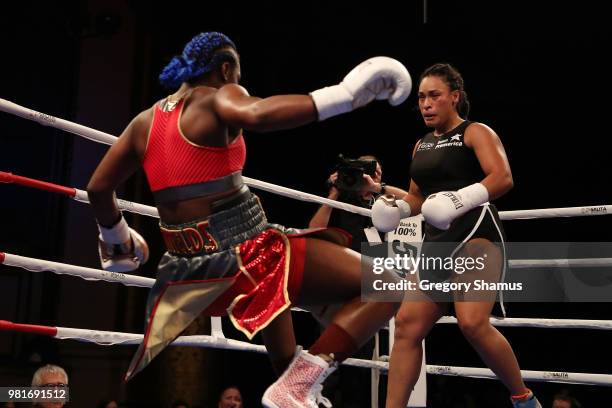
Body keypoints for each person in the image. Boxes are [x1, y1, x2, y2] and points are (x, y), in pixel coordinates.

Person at [86, 32, 411, 408]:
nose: (239, 86)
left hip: (191, 273)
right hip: (248, 254)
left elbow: (98, 187)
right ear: (226, 69)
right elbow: (256, 114)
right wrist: (346, 94)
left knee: (289, 373)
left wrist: (118, 238)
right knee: (388, 285)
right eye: (237, 77)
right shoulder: (215, 96)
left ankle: (296, 385)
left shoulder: (145, 121)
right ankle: (300, 381)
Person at [370, 63, 541, 407]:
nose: (426, 104)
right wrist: (395, 207)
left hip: (476, 231)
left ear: (455, 97)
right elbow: (419, 199)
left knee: (472, 323)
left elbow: (502, 177)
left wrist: (459, 198)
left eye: (434, 96)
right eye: (420, 98)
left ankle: (523, 398)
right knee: (406, 326)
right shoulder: (420, 145)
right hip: (438, 238)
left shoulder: (475, 132)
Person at [309, 156, 406, 407]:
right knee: (329, 356)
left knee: (362, 369)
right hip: (339, 286)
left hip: (372, 289)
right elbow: (314, 229)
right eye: (367, 171)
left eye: (378, 171)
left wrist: (377, 188)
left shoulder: (383, 200)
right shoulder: (341, 200)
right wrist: (335, 191)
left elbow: (413, 200)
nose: (374, 175)